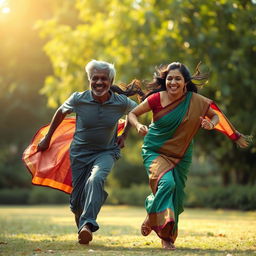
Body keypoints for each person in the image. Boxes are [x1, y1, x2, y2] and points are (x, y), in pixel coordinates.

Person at [128, 62, 250, 250]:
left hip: (182, 154)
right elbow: (132, 114)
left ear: (185, 82)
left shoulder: (196, 101)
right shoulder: (156, 99)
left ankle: (165, 235)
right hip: (155, 150)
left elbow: (215, 115)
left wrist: (211, 124)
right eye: (170, 78)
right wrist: (138, 125)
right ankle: (155, 218)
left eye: (178, 78)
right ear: (164, 80)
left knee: (176, 196)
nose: (173, 82)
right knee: (167, 184)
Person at [37, 60, 139, 245]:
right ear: (89, 80)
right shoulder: (79, 98)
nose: (99, 82)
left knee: (96, 179)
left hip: (106, 152)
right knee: (76, 203)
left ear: (110, 81)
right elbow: (60, 112)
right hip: (79, 154)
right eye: (95, 78)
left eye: (104, 79)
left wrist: (124, 134)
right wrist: (47, 138)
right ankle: (83, 229)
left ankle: (88, 224)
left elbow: (136, 112)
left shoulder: (120, 102)